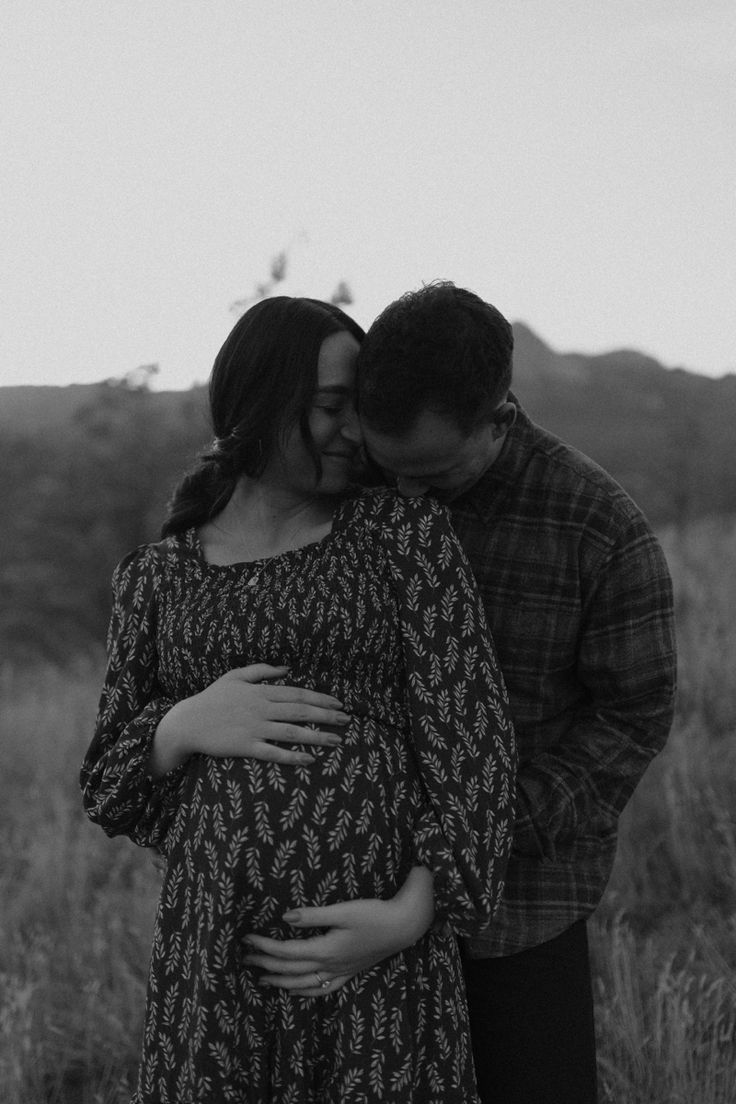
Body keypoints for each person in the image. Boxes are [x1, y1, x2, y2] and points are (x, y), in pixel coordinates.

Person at [242, 283, 677, 1104]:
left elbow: (630, 721)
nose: (410, 498)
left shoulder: (601, 533)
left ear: (500, 419)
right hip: (339, 893)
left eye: (435, 475)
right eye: (391, 469)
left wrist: (452, 856)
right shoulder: (348, 482)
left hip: (514, 911)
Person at [80, 295, 516, 1104]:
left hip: (378, 959)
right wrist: (182, 723)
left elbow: (473, 747)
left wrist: (410, 915)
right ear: (257, 402)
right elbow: (108, 780)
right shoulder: (157, 576)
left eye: (362, 407)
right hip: (217, 963)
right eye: (331, 407)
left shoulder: (402, 538)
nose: (356, 430)